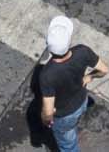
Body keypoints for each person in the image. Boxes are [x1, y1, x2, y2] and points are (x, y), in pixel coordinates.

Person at [31, 13, 104, 152]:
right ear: (69, 41)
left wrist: (46, 121)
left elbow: (48, 111)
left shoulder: (47, 75)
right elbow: (104, 69)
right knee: (73, 124)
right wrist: (88, 78)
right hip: (82, 101)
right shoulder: (83, 51)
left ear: (48, 44)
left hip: (64, 115)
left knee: (68, 144)